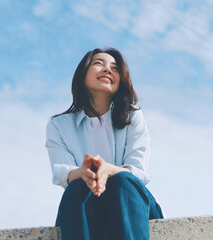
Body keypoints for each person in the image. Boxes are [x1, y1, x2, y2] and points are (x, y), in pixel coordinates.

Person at [46, 47, 164, 240]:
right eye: (98, 63)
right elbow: (62, 174)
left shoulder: (133, 117)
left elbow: (138, 172)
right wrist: (82, 172)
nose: (107, 69)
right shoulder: (59, 126)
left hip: (133, 207)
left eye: (115, 68)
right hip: (88, 209)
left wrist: (108, 169)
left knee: (123, 181)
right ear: (82, 73)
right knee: (77, 186)